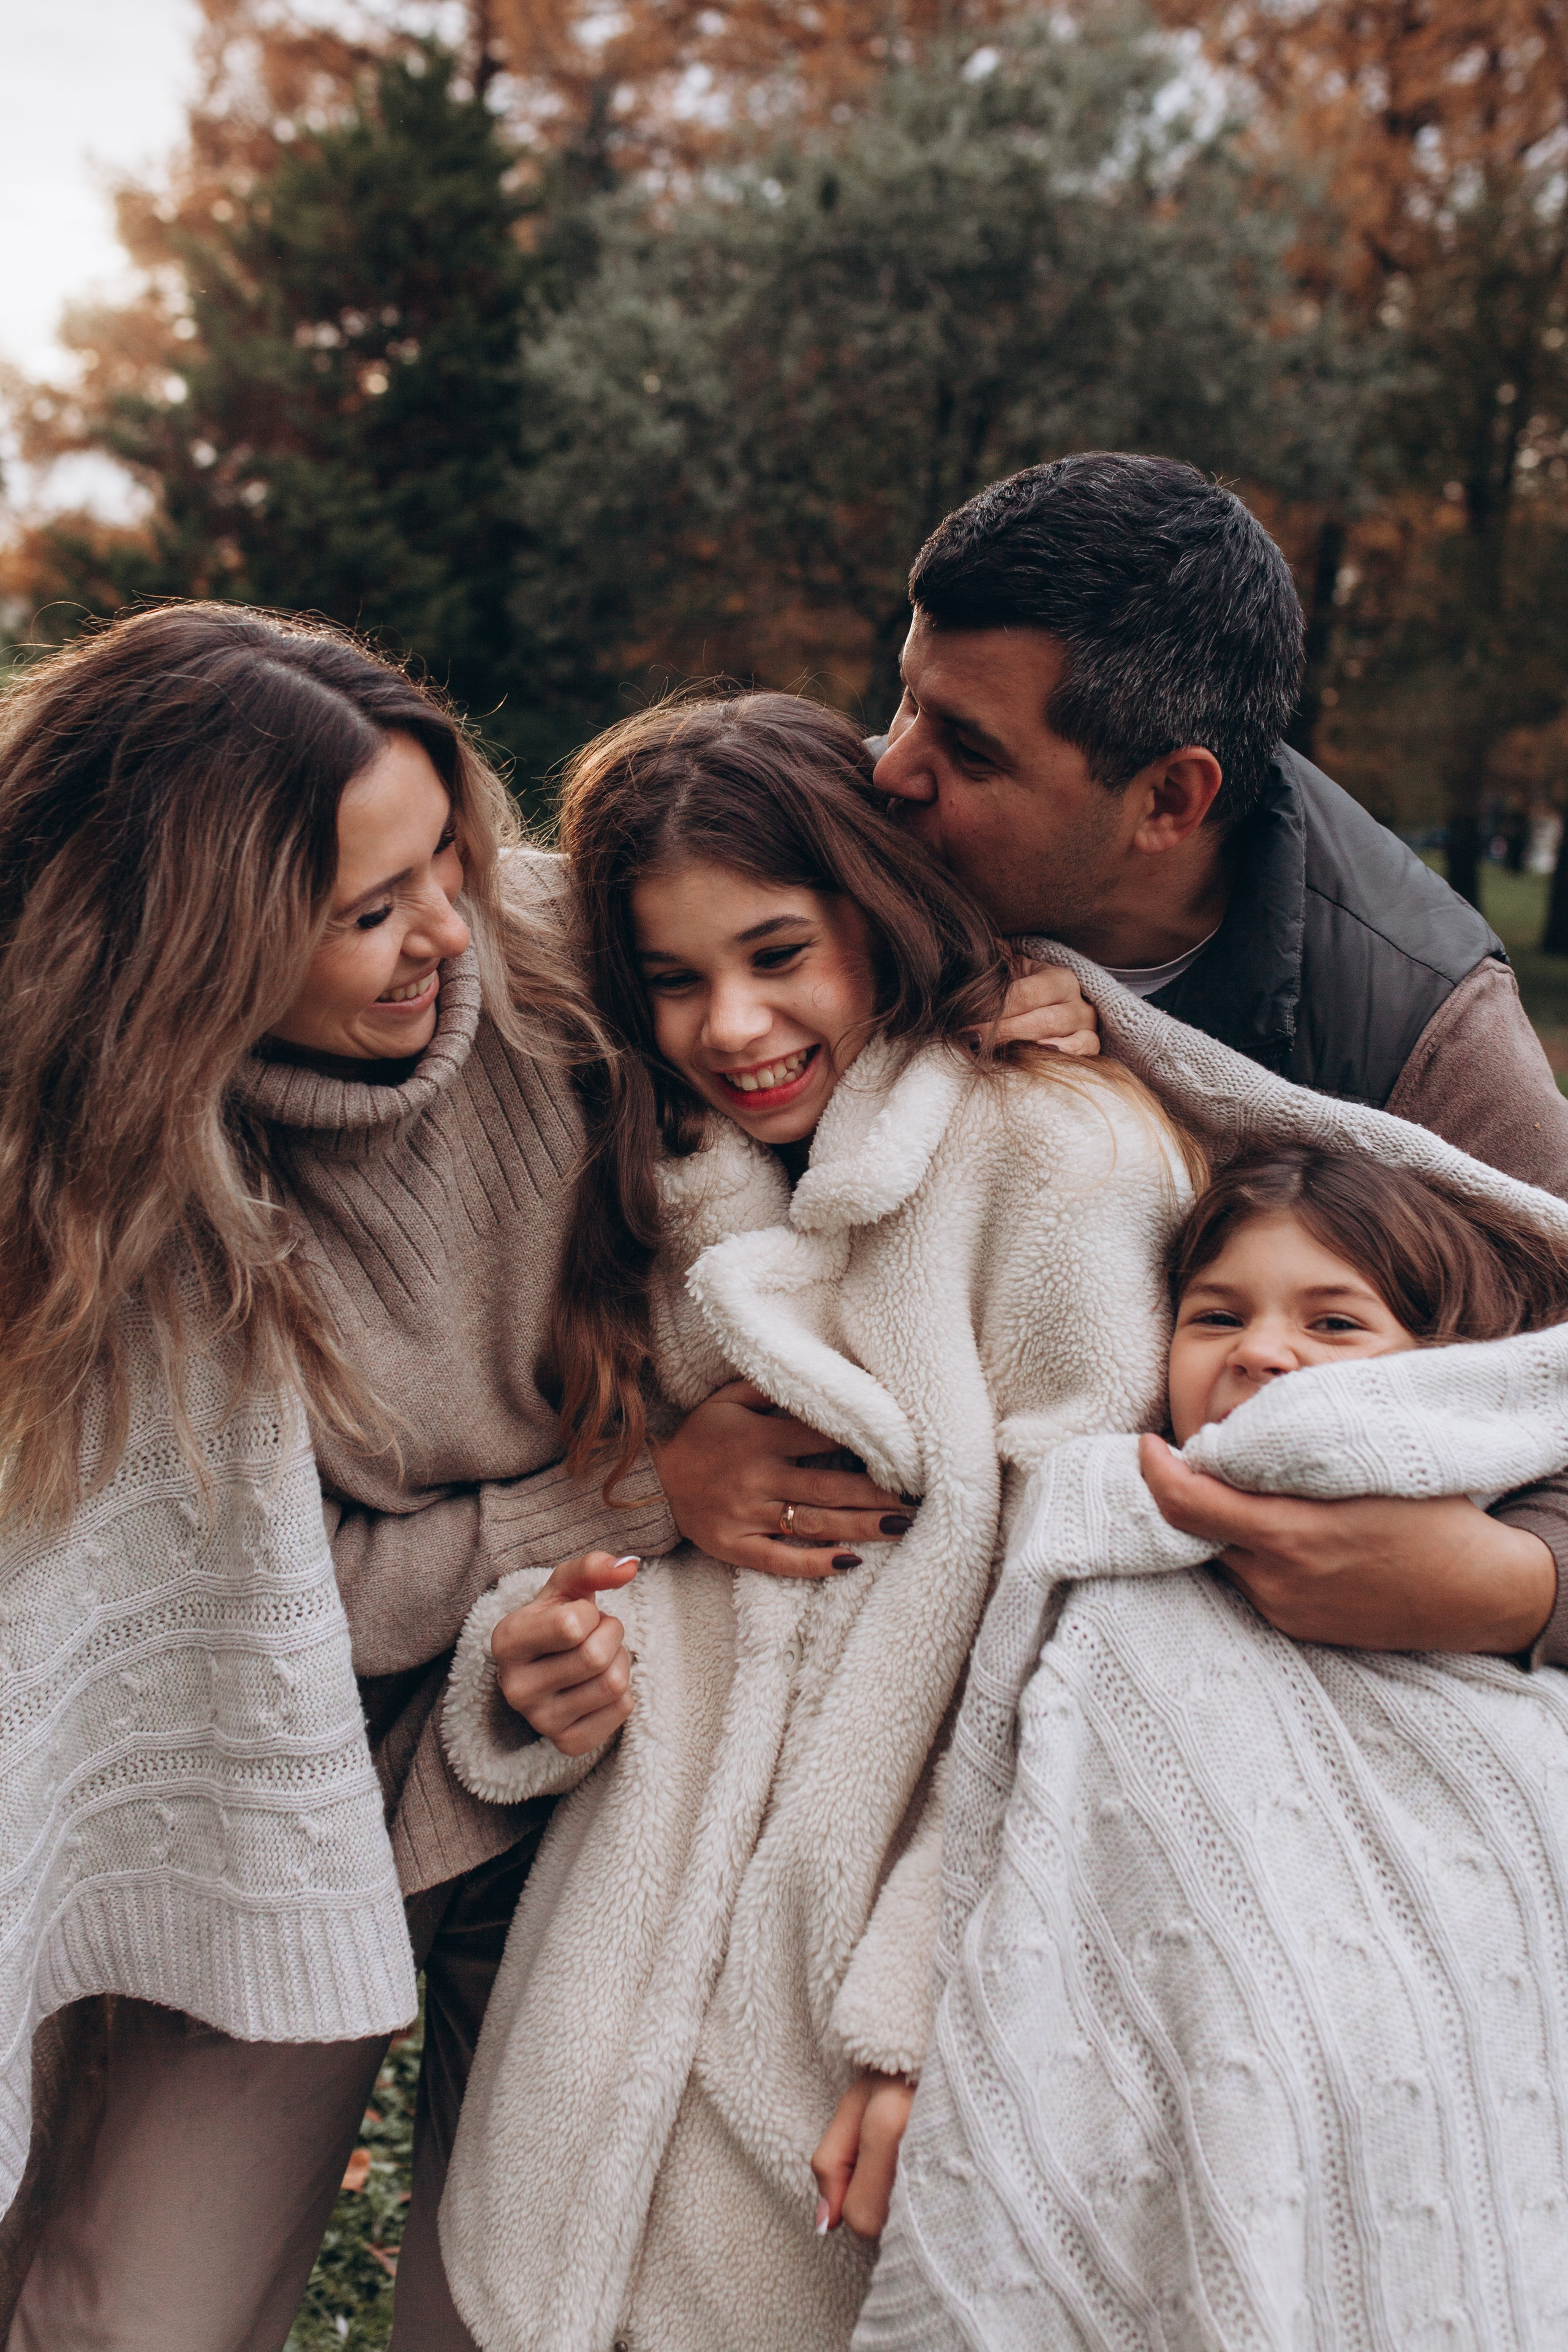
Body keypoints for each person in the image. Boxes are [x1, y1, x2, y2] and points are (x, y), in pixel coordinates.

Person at [0, 609, 913, 2352]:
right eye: (367, 911)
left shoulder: (567, 951)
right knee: (133, 2309)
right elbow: (235, 1615)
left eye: (448, 853)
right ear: (191, 949)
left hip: (627, 1707)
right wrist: (640, 1492)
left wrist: (1021, 999)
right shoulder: (105, 1194)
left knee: (530, 2304)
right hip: (298, 1772)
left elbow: (851, 1003)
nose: (444, 930)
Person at [429, 692, 1201, 2352]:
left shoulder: (1055, 1165)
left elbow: (1087, 1636)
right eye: (675, 976)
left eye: (781, 952)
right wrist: (534, 1660)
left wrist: (923, 2010)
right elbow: (622, 1536)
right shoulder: (659, 1177)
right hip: (619, 1957)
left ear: (884, 908)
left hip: (883, 1974)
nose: (732, 1022)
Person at [858, 1135, 1568, 2346]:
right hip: (1207, 2084)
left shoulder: (1474, 1576)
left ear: (1435, 1371)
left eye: (1333, 1323)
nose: (1259, 1351)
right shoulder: (1105, 1556)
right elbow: (1017, 1825)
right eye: (1214, 1314)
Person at [867, 450, 1568, 1667]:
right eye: (904, 698)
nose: (889, 766)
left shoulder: (1416, 1024)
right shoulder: (871, 847)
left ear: (1169, 800)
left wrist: (1510, 1588)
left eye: (968, 751)